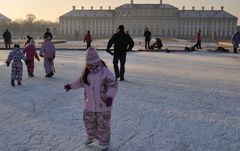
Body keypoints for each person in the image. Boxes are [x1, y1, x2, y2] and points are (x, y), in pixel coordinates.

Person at [64, 47, 118, 150]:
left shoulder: (105, 73)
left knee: (103, 125)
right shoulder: (86, 73)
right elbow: (79, 82)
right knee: (88, 122)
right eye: (88, 64)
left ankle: (104, 142)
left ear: (97, 62)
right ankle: (92, 136)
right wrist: (70, 86)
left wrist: (110, 97)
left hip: (103, 105)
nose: (90, 66)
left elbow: (113, 85)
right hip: (89, 105)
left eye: (92, 64)